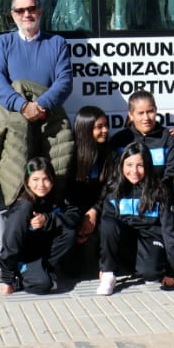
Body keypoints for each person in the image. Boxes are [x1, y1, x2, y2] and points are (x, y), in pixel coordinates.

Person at [0, 0, 74, 240]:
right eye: (20, 10)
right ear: (12, 15)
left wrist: (40, 105)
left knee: (46, 187)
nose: (27, 14)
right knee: (9, 189)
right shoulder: (3, 43)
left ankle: (40, 254)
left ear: (40, 11)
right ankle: (8, 254)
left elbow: (64, 82)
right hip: (13, 128)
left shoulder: (57, 43)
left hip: (49, 128)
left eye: (31, 9)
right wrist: (23, 106)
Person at [97, 140, 174, 295]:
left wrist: (171, 270)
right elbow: (107, 231)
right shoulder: (114, 189)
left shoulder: (160, 191)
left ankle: (144, 268)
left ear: (148, 166)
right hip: (124, 240)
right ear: (122, 166)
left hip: (149, 240)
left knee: (151, 274)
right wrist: (104, 266)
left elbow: (170, 231)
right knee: (107, 223)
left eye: (140, 165)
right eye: (129, 165)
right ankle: (109, 274)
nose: (134, 171)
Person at [0, 157, 77, 295]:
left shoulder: (56, 196)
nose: (41, 185)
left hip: (43, 254)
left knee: (70, 233)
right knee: (43, 285)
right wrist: (7, 280)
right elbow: (10, 243)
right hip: (25, 257)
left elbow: (74, 217)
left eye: (46, 179)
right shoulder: (24, 207)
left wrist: (47, 219)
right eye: (35, 179)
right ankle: (20, 276)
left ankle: (45, 269)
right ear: (27, 181)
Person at [64, 106, 111, 276]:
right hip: (76, 213)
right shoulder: (71, 156)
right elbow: (67, 194)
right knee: (73, 271)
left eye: (106, 125)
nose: (104, 130)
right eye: (99, 127)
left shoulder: (108, 153)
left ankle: (106, 267)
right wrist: (79, 220)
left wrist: (95, 210)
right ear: (85, 128)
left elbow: (110, 188)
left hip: (99, 210)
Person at [109, 90, 174, 184]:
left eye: (150, 111)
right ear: (131, 115)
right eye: (140, 113)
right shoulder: (119, 139)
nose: (146, 118)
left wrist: (155, 193)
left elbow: (172, 173)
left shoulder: (170, 138)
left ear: (156, 110)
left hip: (159, 195)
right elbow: (113, 173)